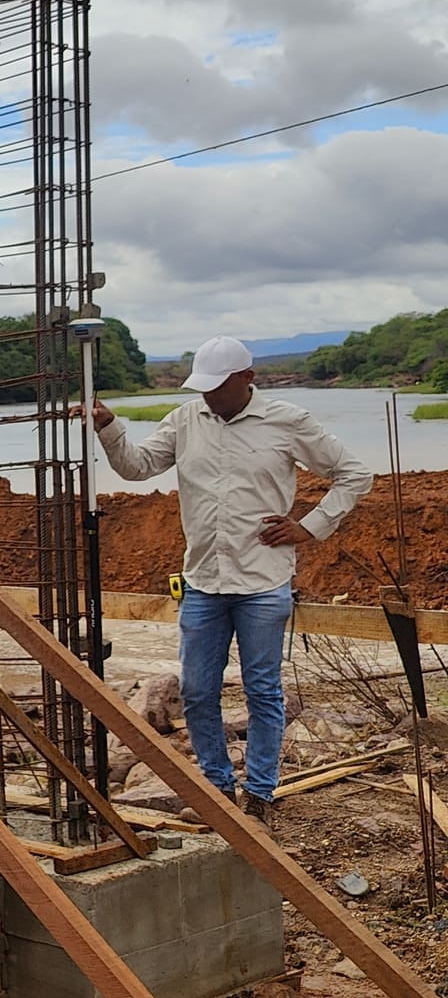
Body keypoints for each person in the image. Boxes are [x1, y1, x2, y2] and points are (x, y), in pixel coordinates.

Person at [92, 336, 370, 822]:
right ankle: (219, 788)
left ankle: (260, 791)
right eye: (203, 388)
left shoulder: (287, 422)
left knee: (263, 690)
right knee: (198, 691)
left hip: (263, 583)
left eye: (217, 388)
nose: (208, 397)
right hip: (203, 582)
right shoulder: (185, 421)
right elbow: (138, 468)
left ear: (247, 379)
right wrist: (109, 428)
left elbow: (353, 473)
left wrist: (310, 526)